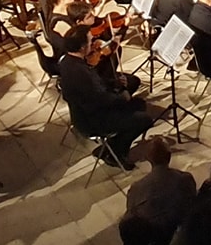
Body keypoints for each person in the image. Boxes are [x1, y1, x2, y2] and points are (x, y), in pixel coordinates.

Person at [58, 28, 155, 163]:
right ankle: (113, 153)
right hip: (92, 120)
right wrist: (123, 97)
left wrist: (114, 83)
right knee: (145, 119)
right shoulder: (80, 72)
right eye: (91, 41)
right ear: (82, 47)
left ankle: (112, 146)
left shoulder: (67, 61)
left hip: (85, 112)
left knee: (139, 104)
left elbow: (97, 84)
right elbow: (101, 98)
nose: (93, 44)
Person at [125, 138, 197, 239]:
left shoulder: (136, 188)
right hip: (181, 234)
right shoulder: (185, 179)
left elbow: (130, 218)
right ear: (169, 156)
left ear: (148, 158)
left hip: (149, 237)